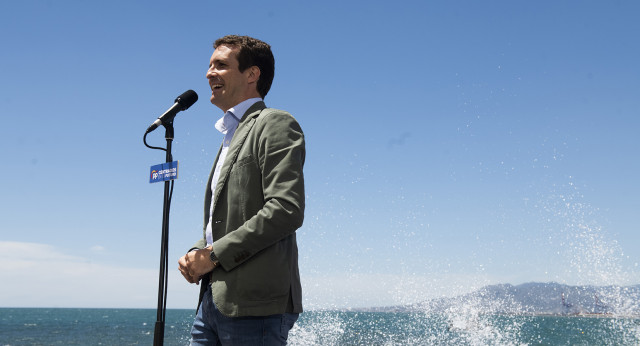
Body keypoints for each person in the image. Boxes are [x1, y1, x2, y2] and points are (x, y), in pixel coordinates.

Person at [178, 35, 305, 345]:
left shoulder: (274, 123)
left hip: (254, 306)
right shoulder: (230, 135)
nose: (209, 73)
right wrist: (198, 250)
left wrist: (212, 255)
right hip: (213, 300)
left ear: (252, 74)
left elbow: (285, 209)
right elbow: (225, 219)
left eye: (221, 65)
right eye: (209, 66)